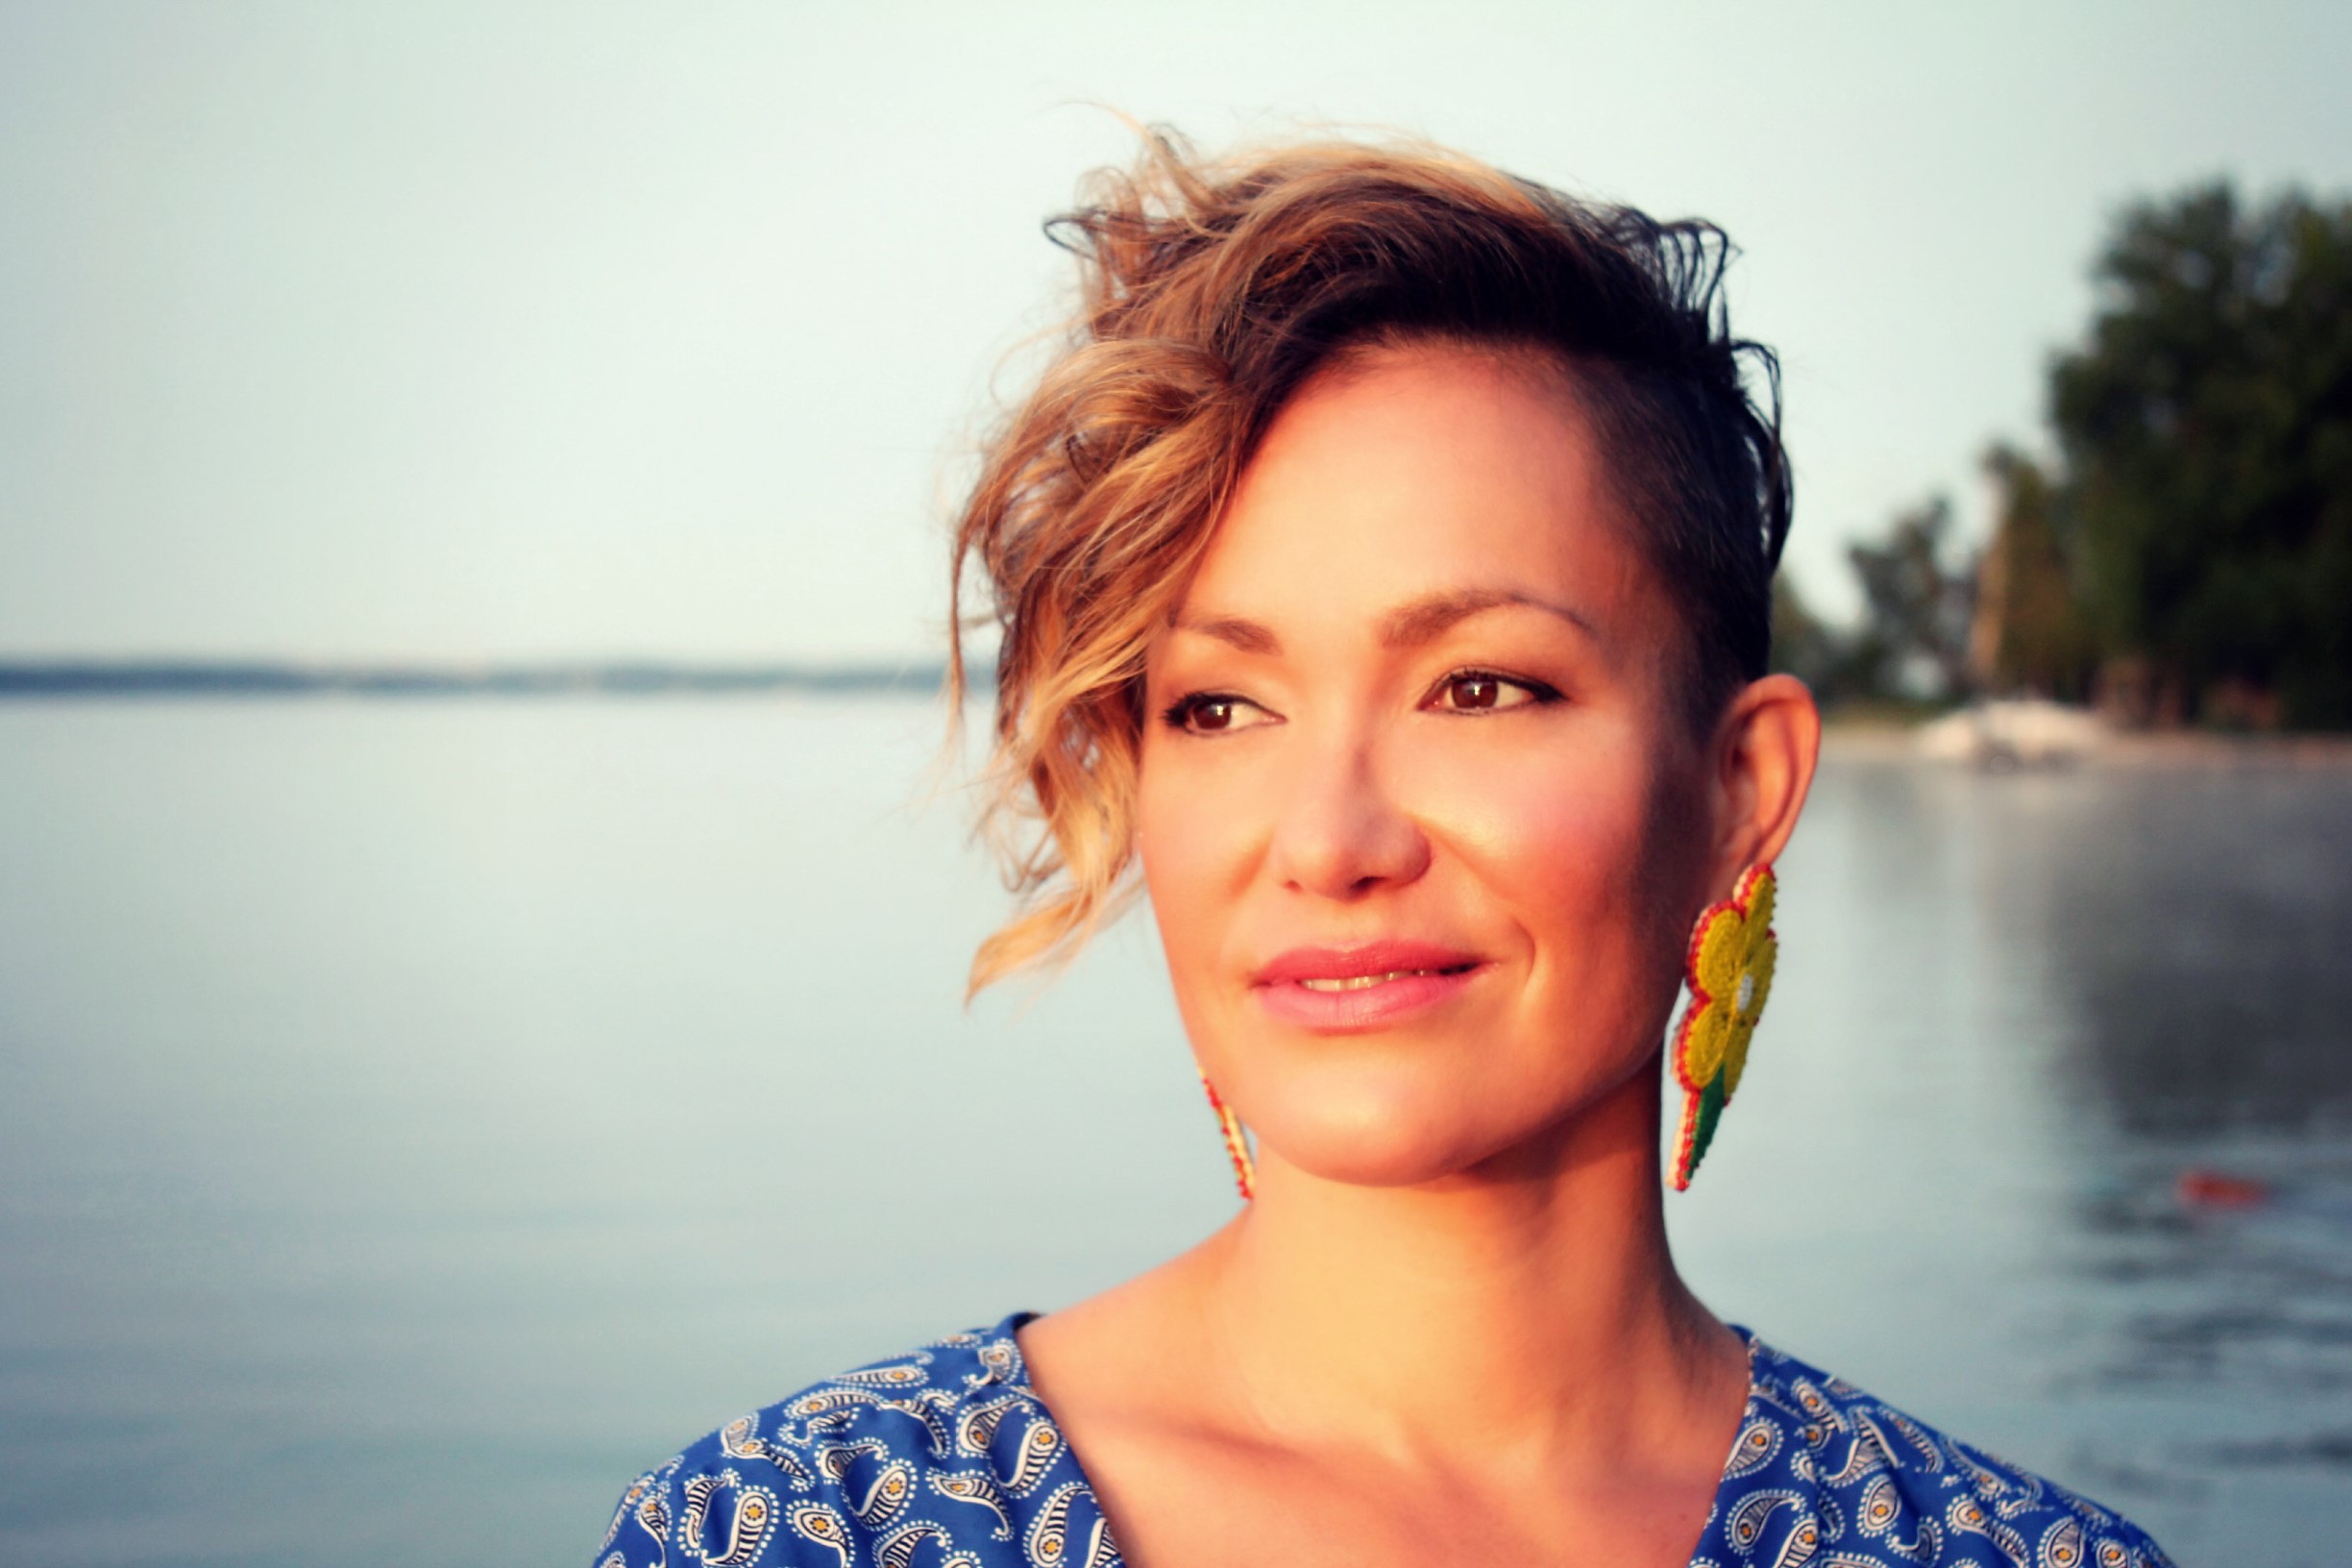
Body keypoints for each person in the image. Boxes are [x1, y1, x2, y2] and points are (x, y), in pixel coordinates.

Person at [593, 131, 2170, 1568]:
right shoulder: (800, 1530)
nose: (1330, 840)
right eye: (1218, 706)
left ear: (1743, 786)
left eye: (1479, 687)